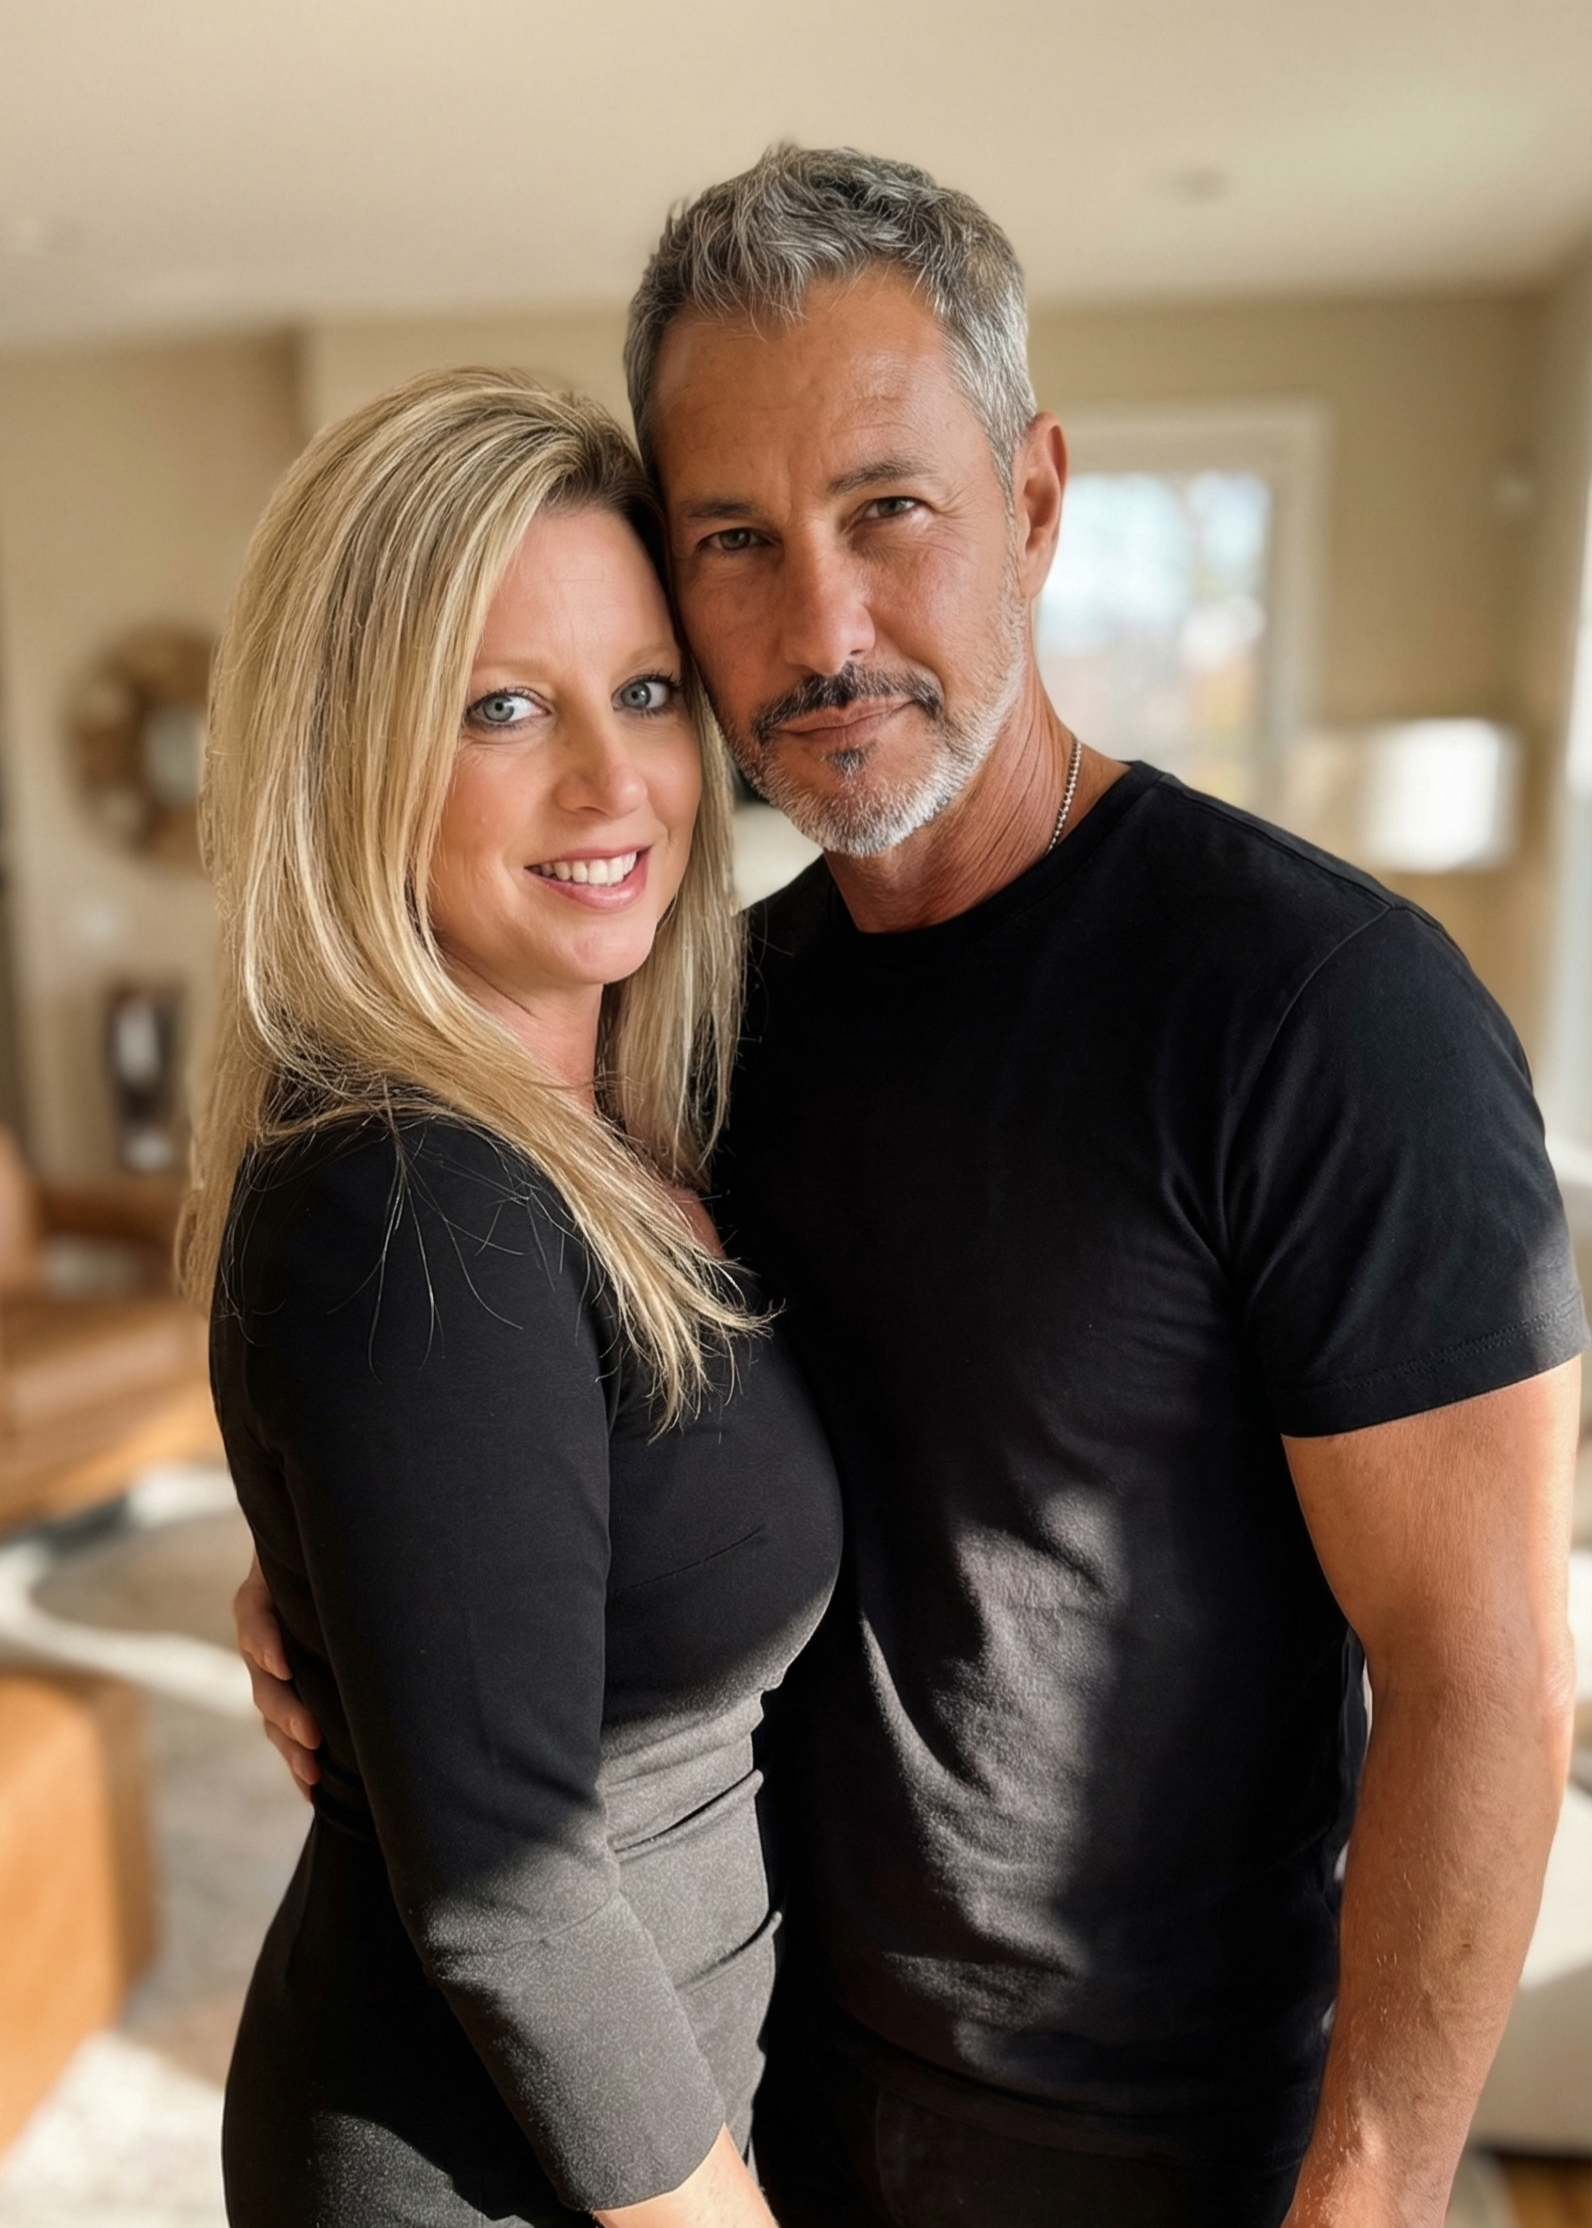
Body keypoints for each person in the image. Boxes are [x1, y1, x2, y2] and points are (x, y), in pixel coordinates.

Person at [243, 150, 1586, 2228]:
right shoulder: (707, 1021)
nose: (823, 623)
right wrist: (348, 1576)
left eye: (887, 510)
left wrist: (1380, 2192)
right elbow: (560, 1434)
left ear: (1035, 502)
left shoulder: (1318, 1008)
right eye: (735, 546)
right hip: (763, 2095)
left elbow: (1484, 1664)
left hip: (1151, 2143)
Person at [190, 369, 841, 2227]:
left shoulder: (619, 1120)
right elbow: (514, 1897)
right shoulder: (414, 1190)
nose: (611, 780)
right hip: (481, 2170)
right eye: (501, 708)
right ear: (356, 752)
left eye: (645, 691)